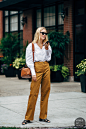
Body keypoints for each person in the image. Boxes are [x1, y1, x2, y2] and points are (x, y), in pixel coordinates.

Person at [22, 27, 52, 125]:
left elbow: (48, 58)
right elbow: (29, 61)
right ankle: (28, 117)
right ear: (38, 33)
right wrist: (33, 73)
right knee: (33, 93)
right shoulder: (31, 46)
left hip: (46, 66)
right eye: (42, 33)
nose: (44, 35)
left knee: (46, 92)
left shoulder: (47, 45)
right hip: (36, 68)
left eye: (45, 33)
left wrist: (47, 49)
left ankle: (43, 116)